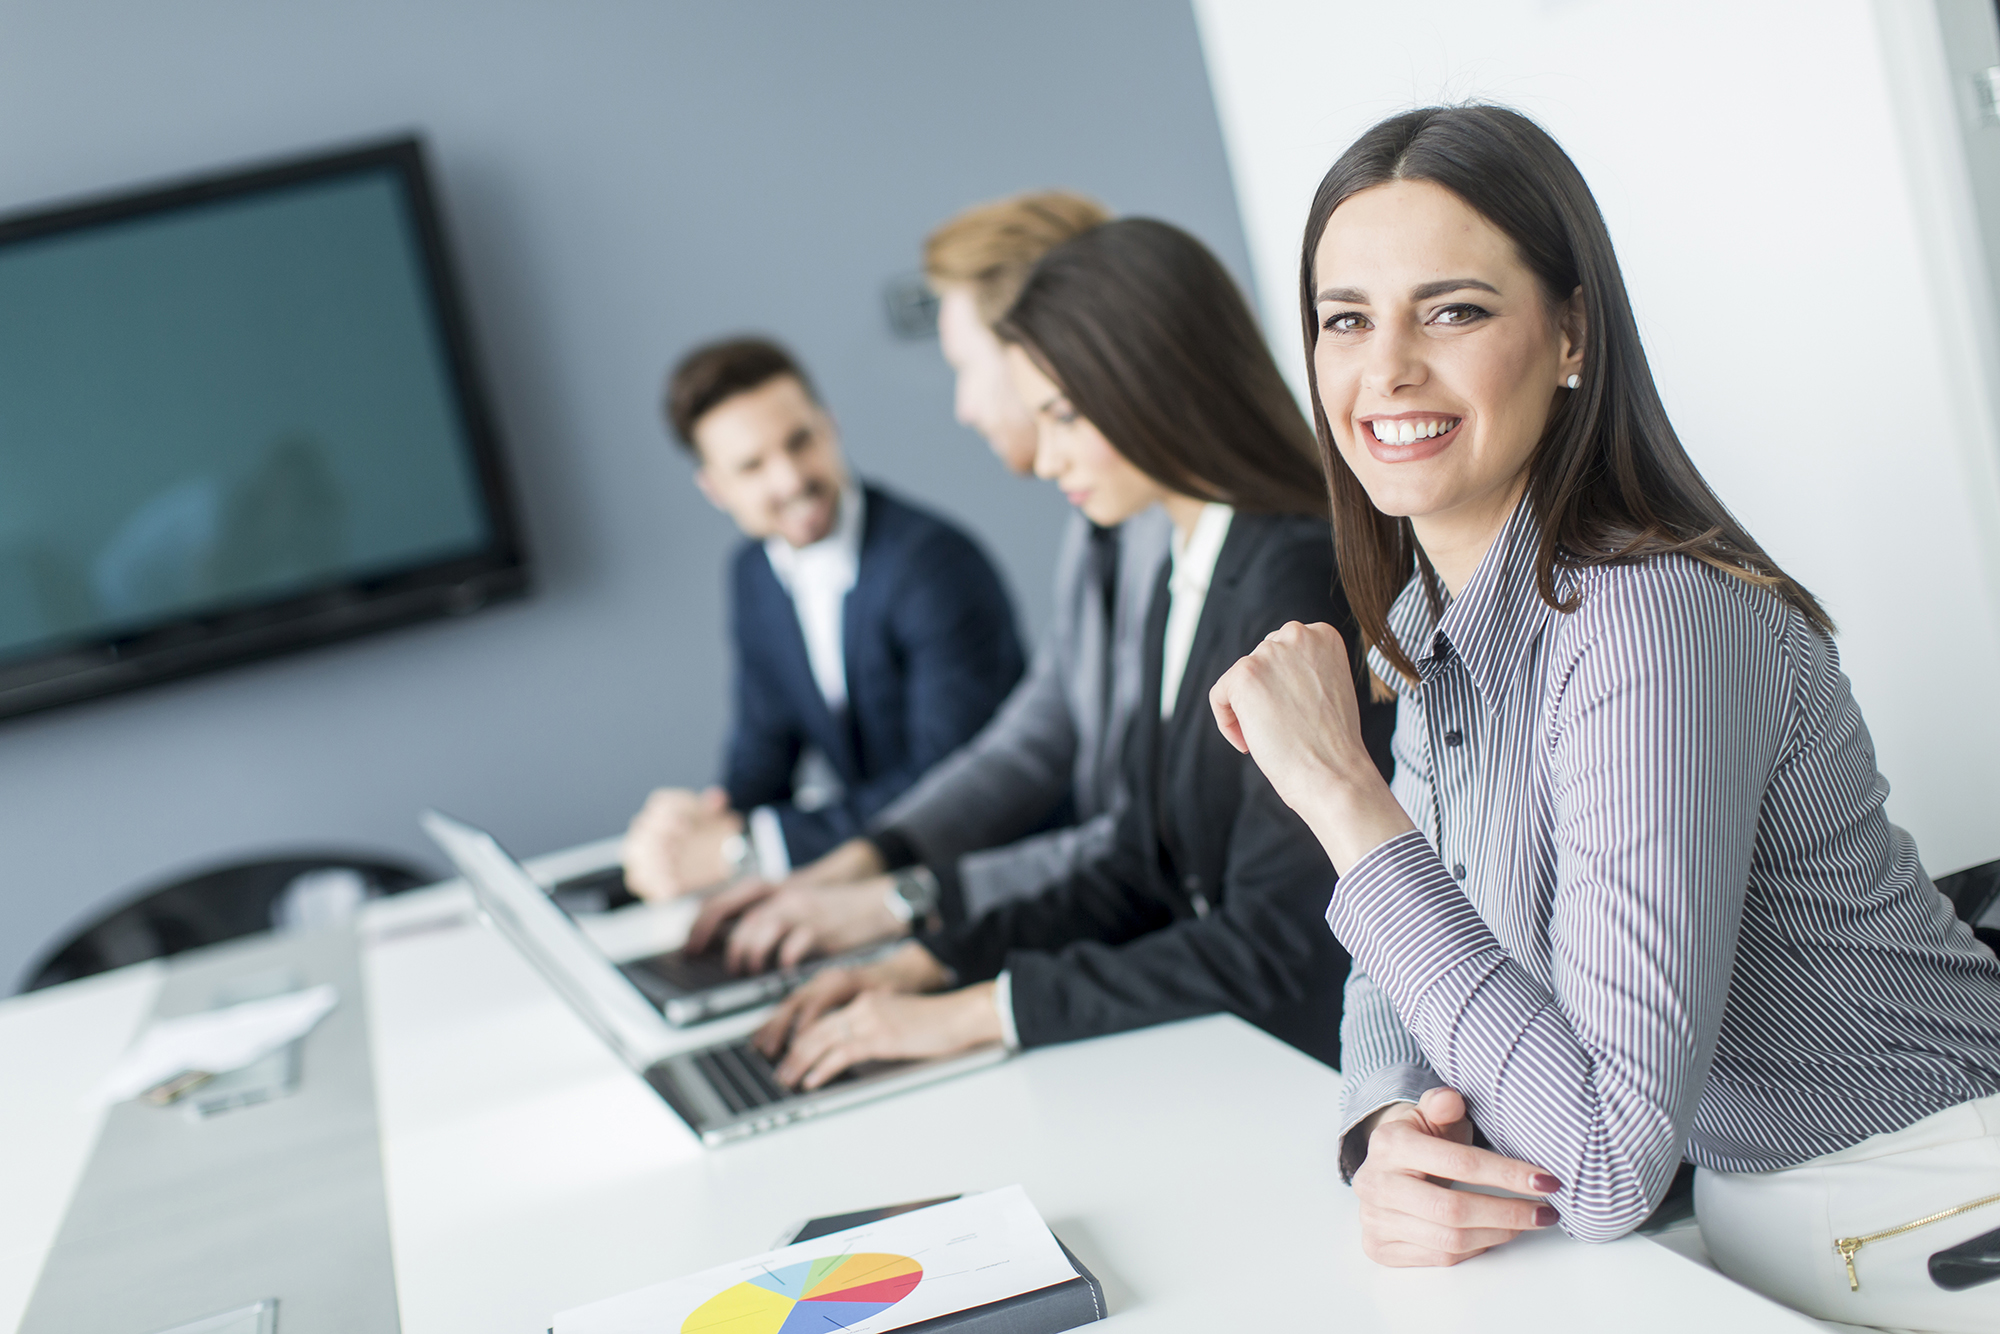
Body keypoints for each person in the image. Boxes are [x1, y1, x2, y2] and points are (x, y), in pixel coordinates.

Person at [1206, 104, 2000, 1332]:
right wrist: (1382, 1132)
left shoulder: (1644, 625)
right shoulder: (1433, 619)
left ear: (1569, 331)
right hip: (1755, 1235)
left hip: (1932, 1218)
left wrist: (1341, 795)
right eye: (1343, 318)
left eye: (1452, 309)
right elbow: (1396, 969)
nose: (1386, 368)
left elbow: (1599, 1157)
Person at [749, 217, 1396, 1085]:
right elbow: (1139, 861)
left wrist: (978, 1015)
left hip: (1308, 1075)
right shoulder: (1184, 560)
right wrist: (935, 963)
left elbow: (1277, 943)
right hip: (1234, 1051)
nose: (1047, 456)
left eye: (1064, 416)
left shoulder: (1290, 580)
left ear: (1149, 384)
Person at [689, 191, 1178, 974]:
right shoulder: (1098, 528)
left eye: (964, 368)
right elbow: (1036, 734)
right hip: (1095, 919)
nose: (962, 407)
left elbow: (1143, 844)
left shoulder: (935, 561)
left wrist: (893, 898)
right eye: (750, 465)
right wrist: (855, 863)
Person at [622, 337, 1025, 898]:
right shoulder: (752, 574)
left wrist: (747, 850)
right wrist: (700, 825)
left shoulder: (932, 564)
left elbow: (950, 780)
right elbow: (763, 753)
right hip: (874, 879)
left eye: (800, 441)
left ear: (830, 425)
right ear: (714, 488)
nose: (790, 480)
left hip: (987, 879)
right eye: (752, 466)